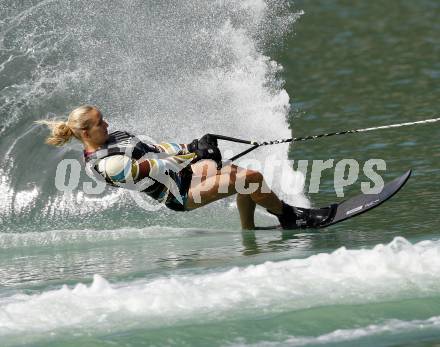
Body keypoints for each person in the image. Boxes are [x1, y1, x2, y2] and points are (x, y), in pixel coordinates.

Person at [37, 105, 331, 229]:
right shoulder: (105, 164)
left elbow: (158, 149)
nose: (108, 123)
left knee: (238, 173)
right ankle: (291, 218)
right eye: (101, 122)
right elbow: (151, 165)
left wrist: (192, 146)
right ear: (86, 133)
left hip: (185, 175)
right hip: (179, 195)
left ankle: (248, 231)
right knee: (250, 179)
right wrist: (193, 154)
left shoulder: (116, 136)